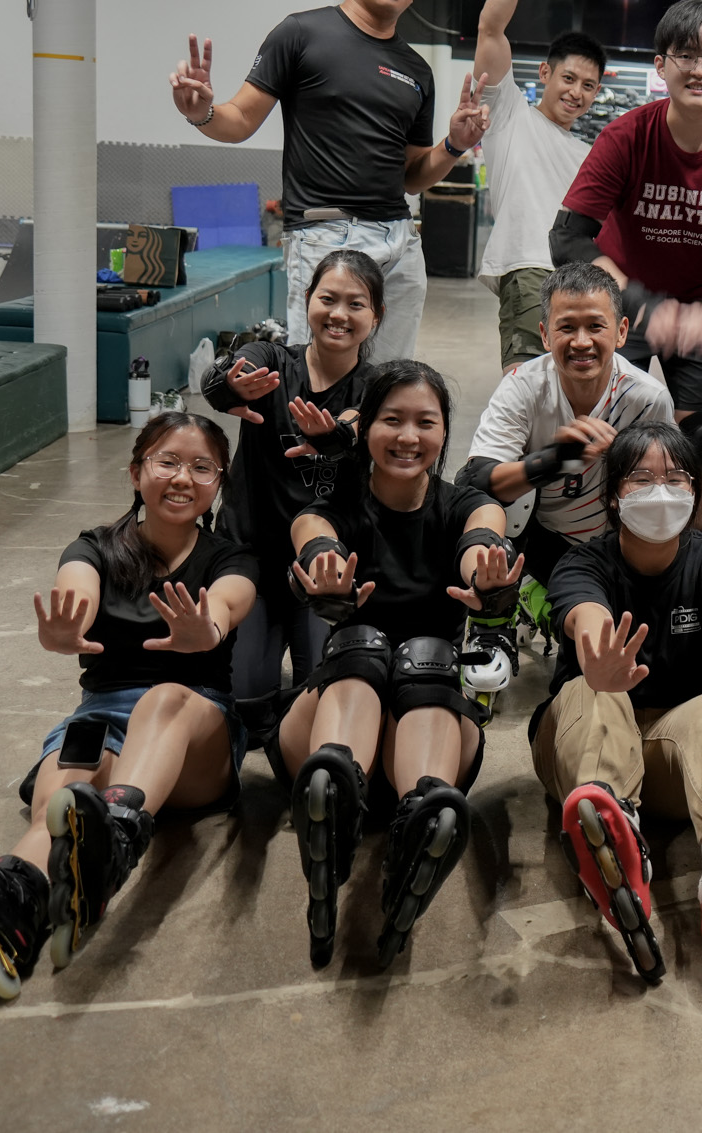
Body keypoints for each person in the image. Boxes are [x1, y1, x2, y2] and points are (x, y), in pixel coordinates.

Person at [0, 413, 257, 1000]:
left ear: (219, 483)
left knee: (163, 700)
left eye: (201, 467)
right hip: (104, 720)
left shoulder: (230, 558)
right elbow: (76, 590)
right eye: (167, 462)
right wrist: (67, 629)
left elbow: (226, 607)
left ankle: (113, 841)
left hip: (195, 738)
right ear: (137, 473)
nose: (182, 477)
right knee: (62, 800)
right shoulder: (95, 547)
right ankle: (13, 903)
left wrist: (205, 629)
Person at [534, 422, 702, 994]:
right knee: (594, 692)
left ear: (695, 494)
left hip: (675, 759)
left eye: (676, 478)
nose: (661, 492)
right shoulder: (582, 564)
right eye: (642, 479)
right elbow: (586, 618)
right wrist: (599, 659)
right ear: (612, 498)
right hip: (582, 742)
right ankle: (610, 828)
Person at [277, 360, 522, 968]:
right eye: (392, 420)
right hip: (332, 732)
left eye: (425, 422)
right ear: (365, 429)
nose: (408, 436)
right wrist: (325, 572)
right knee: (361, 641)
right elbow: (314, 539)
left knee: (427, 655)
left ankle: (422, 815)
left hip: (428, 732)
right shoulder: (328, 507)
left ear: (444, 433)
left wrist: (486, 578)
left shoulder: (466, 504)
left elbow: (480, 539)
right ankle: (338, 787)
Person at [167, 0, 493, 362]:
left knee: (387, 384)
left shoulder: (418, 70)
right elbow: (239, 118)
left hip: (400, 240)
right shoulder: (301, 34)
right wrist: (201, 111)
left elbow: (413, 177)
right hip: (325, 235)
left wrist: (454, 144)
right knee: (321, 378)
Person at [548, 0, 702, 429]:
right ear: (662, 65)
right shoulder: (625, 137)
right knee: (602, 433)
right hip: (621, 305)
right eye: (686, 55)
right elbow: (568, 236)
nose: (699, 70)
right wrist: (642, 306)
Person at [201, 249, 382, 722]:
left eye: (356, 304)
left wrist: (337, 437)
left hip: (325, 564)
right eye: (328, 299)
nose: (339, 314)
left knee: (316, 702)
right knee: (248, 708)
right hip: (249, 558)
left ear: (377, 315)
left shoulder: (377, 385)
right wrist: (229, 386)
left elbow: (359, 421)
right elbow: (226, 373)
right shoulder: (271, 360)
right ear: (307, 300)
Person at [457, 262, 675, 642]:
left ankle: (545, 595)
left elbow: (668, 494)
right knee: (486, 501)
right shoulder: (522, 387)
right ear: (544, 334)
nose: (581, 342)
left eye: (595, 326)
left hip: (620, 540)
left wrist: (625, 458)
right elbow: (474, 480)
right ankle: (496, 616)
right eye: (566, 327)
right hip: (540, 538)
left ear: (621, 332)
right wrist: (555, 459)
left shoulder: (647, 397)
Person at [472, 0, 608, 372]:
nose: (577, 93)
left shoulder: (590, 154)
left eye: (589, 86)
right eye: (569, 78)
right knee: (525, 387)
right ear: (545, 74)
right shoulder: (509, 114)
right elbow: (491, 30)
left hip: (582, 279)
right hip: (529, 267)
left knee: (577, 394)